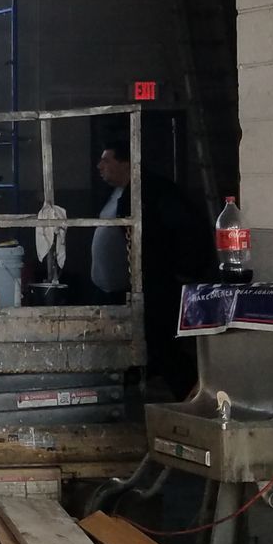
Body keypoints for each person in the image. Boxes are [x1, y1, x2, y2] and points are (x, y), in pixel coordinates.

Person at [89, 143, 213, 399]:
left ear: (126, 163)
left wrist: (180, 273)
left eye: (107, 160)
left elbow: (184, 234)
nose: (100, 166)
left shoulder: (155, 192)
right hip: (132, 285)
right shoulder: (122, 192)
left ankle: (194, 397)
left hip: (159, 284)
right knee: (148, 342)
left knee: (161, 344)